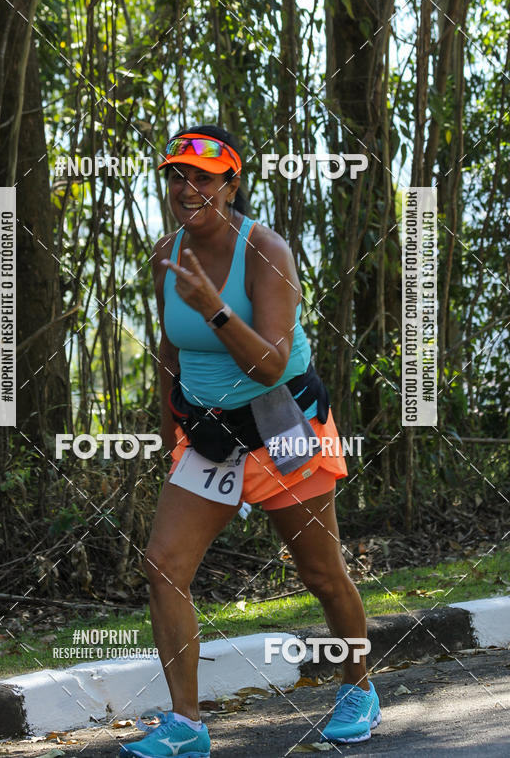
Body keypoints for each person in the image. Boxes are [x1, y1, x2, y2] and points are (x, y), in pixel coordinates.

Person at [120, 126, 380, 758]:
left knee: (321, 572)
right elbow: (170, 344)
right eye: (177, 176)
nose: (187, 189)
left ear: (232, 185)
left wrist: (214, 306)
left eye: (203, 178)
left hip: (281, 425)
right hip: (208, 433)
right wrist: (167, 421)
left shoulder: (266, 251)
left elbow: (270, 364)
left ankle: (359, 688)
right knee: (164, 566)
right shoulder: (167, 252)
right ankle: (187, 725)